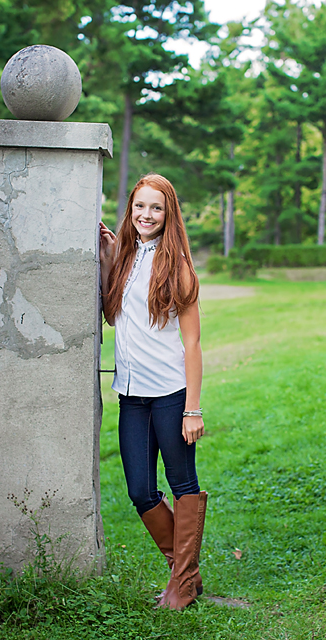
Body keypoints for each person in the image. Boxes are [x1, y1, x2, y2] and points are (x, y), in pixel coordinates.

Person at [98, 173, 207, 611]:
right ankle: (187, 575)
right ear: (131, 209)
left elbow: (193, 343)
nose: (146, 215)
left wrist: (192, 409)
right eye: (140, 206)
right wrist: (108, 259)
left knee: (183, 485)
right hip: (130, 395)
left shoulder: (177, 265)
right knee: (141, 491)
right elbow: (111, 316)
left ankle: (180, 583)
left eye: (156, 208)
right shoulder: (126, 256)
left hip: (169, 394)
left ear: (169, 213)